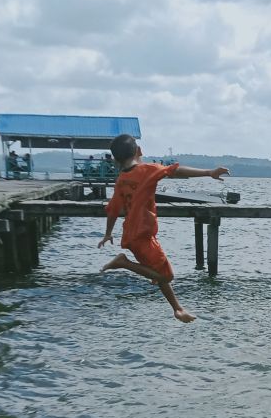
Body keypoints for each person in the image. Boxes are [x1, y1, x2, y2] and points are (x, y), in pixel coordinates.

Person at [98, 134, 229, 323]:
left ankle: (177, 309)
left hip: (133, 235)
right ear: (139, 151)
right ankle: (123, 262)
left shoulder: (122, 180)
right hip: (143, 236)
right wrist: (209, 172)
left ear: (117, 159)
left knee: (159, 273)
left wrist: (108, 233)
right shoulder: (146, 170)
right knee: (166, 275)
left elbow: (113, 209)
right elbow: (176, 171)